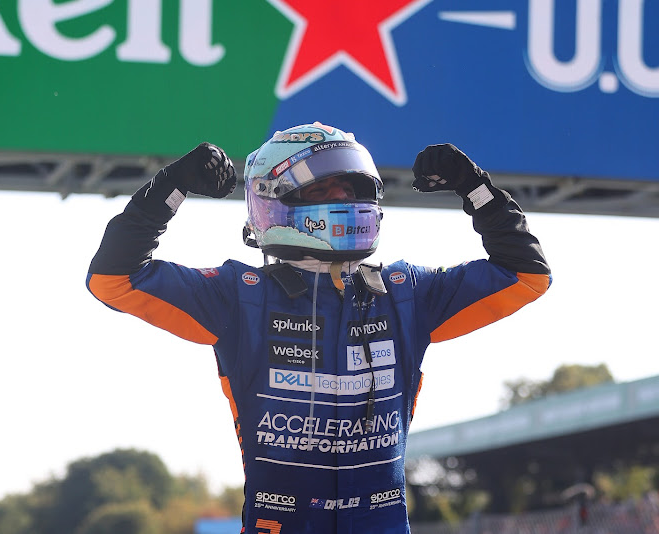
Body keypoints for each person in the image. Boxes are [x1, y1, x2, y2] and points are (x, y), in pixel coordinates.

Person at [87, 122, 551, 534]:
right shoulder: (238, 294)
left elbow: (526, 274)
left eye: (352, 188)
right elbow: (113, 279)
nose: (343, 200)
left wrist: (477, 189)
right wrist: (171, 187)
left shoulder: (405, 293)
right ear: (274, 201)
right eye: (323, 190)